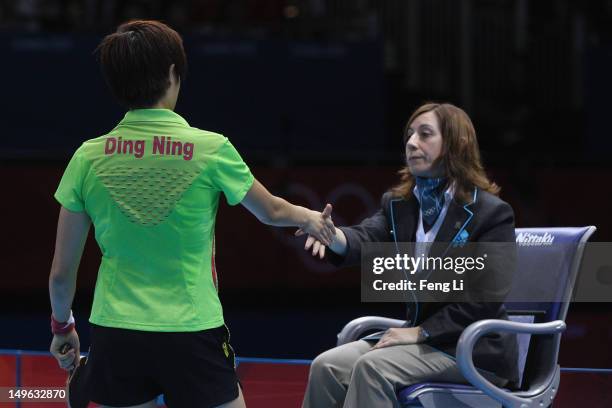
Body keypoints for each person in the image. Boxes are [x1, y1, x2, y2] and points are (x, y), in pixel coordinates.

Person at [48, 20, 335, 408]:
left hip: (117, 332)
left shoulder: (87, 157)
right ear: (171, 73)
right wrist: (309, 218)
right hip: (192, 329)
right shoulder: (210, 148)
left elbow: (62, 273)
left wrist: (62, 326)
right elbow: (271, 211)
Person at [299, 102, 519, 408]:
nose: (412, 143)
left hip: (472, 351)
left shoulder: (490, 214)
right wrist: (330, 234)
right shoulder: (400, 205)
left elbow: (484, 299)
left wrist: (421, 332)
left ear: (458, 143)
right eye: (409, 135)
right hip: (419, 343)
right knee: (327, 367)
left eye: (425, 134)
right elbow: (365, 237)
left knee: (373, 368)